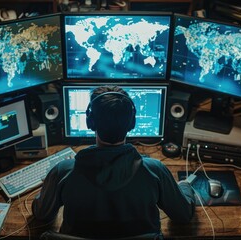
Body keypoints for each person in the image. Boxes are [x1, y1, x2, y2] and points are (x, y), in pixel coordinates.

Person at [32, 85, 196, 238]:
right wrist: (185, 186)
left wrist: (48, 185)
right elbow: (183, 215)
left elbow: (41, 214)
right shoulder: (155, 170)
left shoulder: (64, 171)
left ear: (90, 122)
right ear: (132, 123)